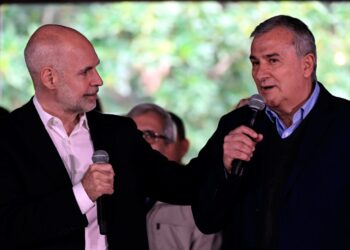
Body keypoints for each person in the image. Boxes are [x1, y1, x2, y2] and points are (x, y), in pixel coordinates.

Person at [0, 24, 235, 250]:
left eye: (96, 68)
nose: (98, 80)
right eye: (86, 72)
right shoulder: (8, 137)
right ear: (50, 78)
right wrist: (83, 193)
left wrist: (224, 147)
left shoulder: (118, 132)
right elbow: (9, 229)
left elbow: (182, 184)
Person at [192, 14, 350, 250]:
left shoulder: (345, 123)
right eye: (255, 62)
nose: (259, 74)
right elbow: (207, 220)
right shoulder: (236, 125)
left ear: (307, 64)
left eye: (272, 60)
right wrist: (225, 171)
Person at [127, 104, 221, 250]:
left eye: (149, 135)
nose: (139, 144)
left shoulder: (195, 201)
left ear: (170, 144)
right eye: (133, 136)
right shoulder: (110, 194)